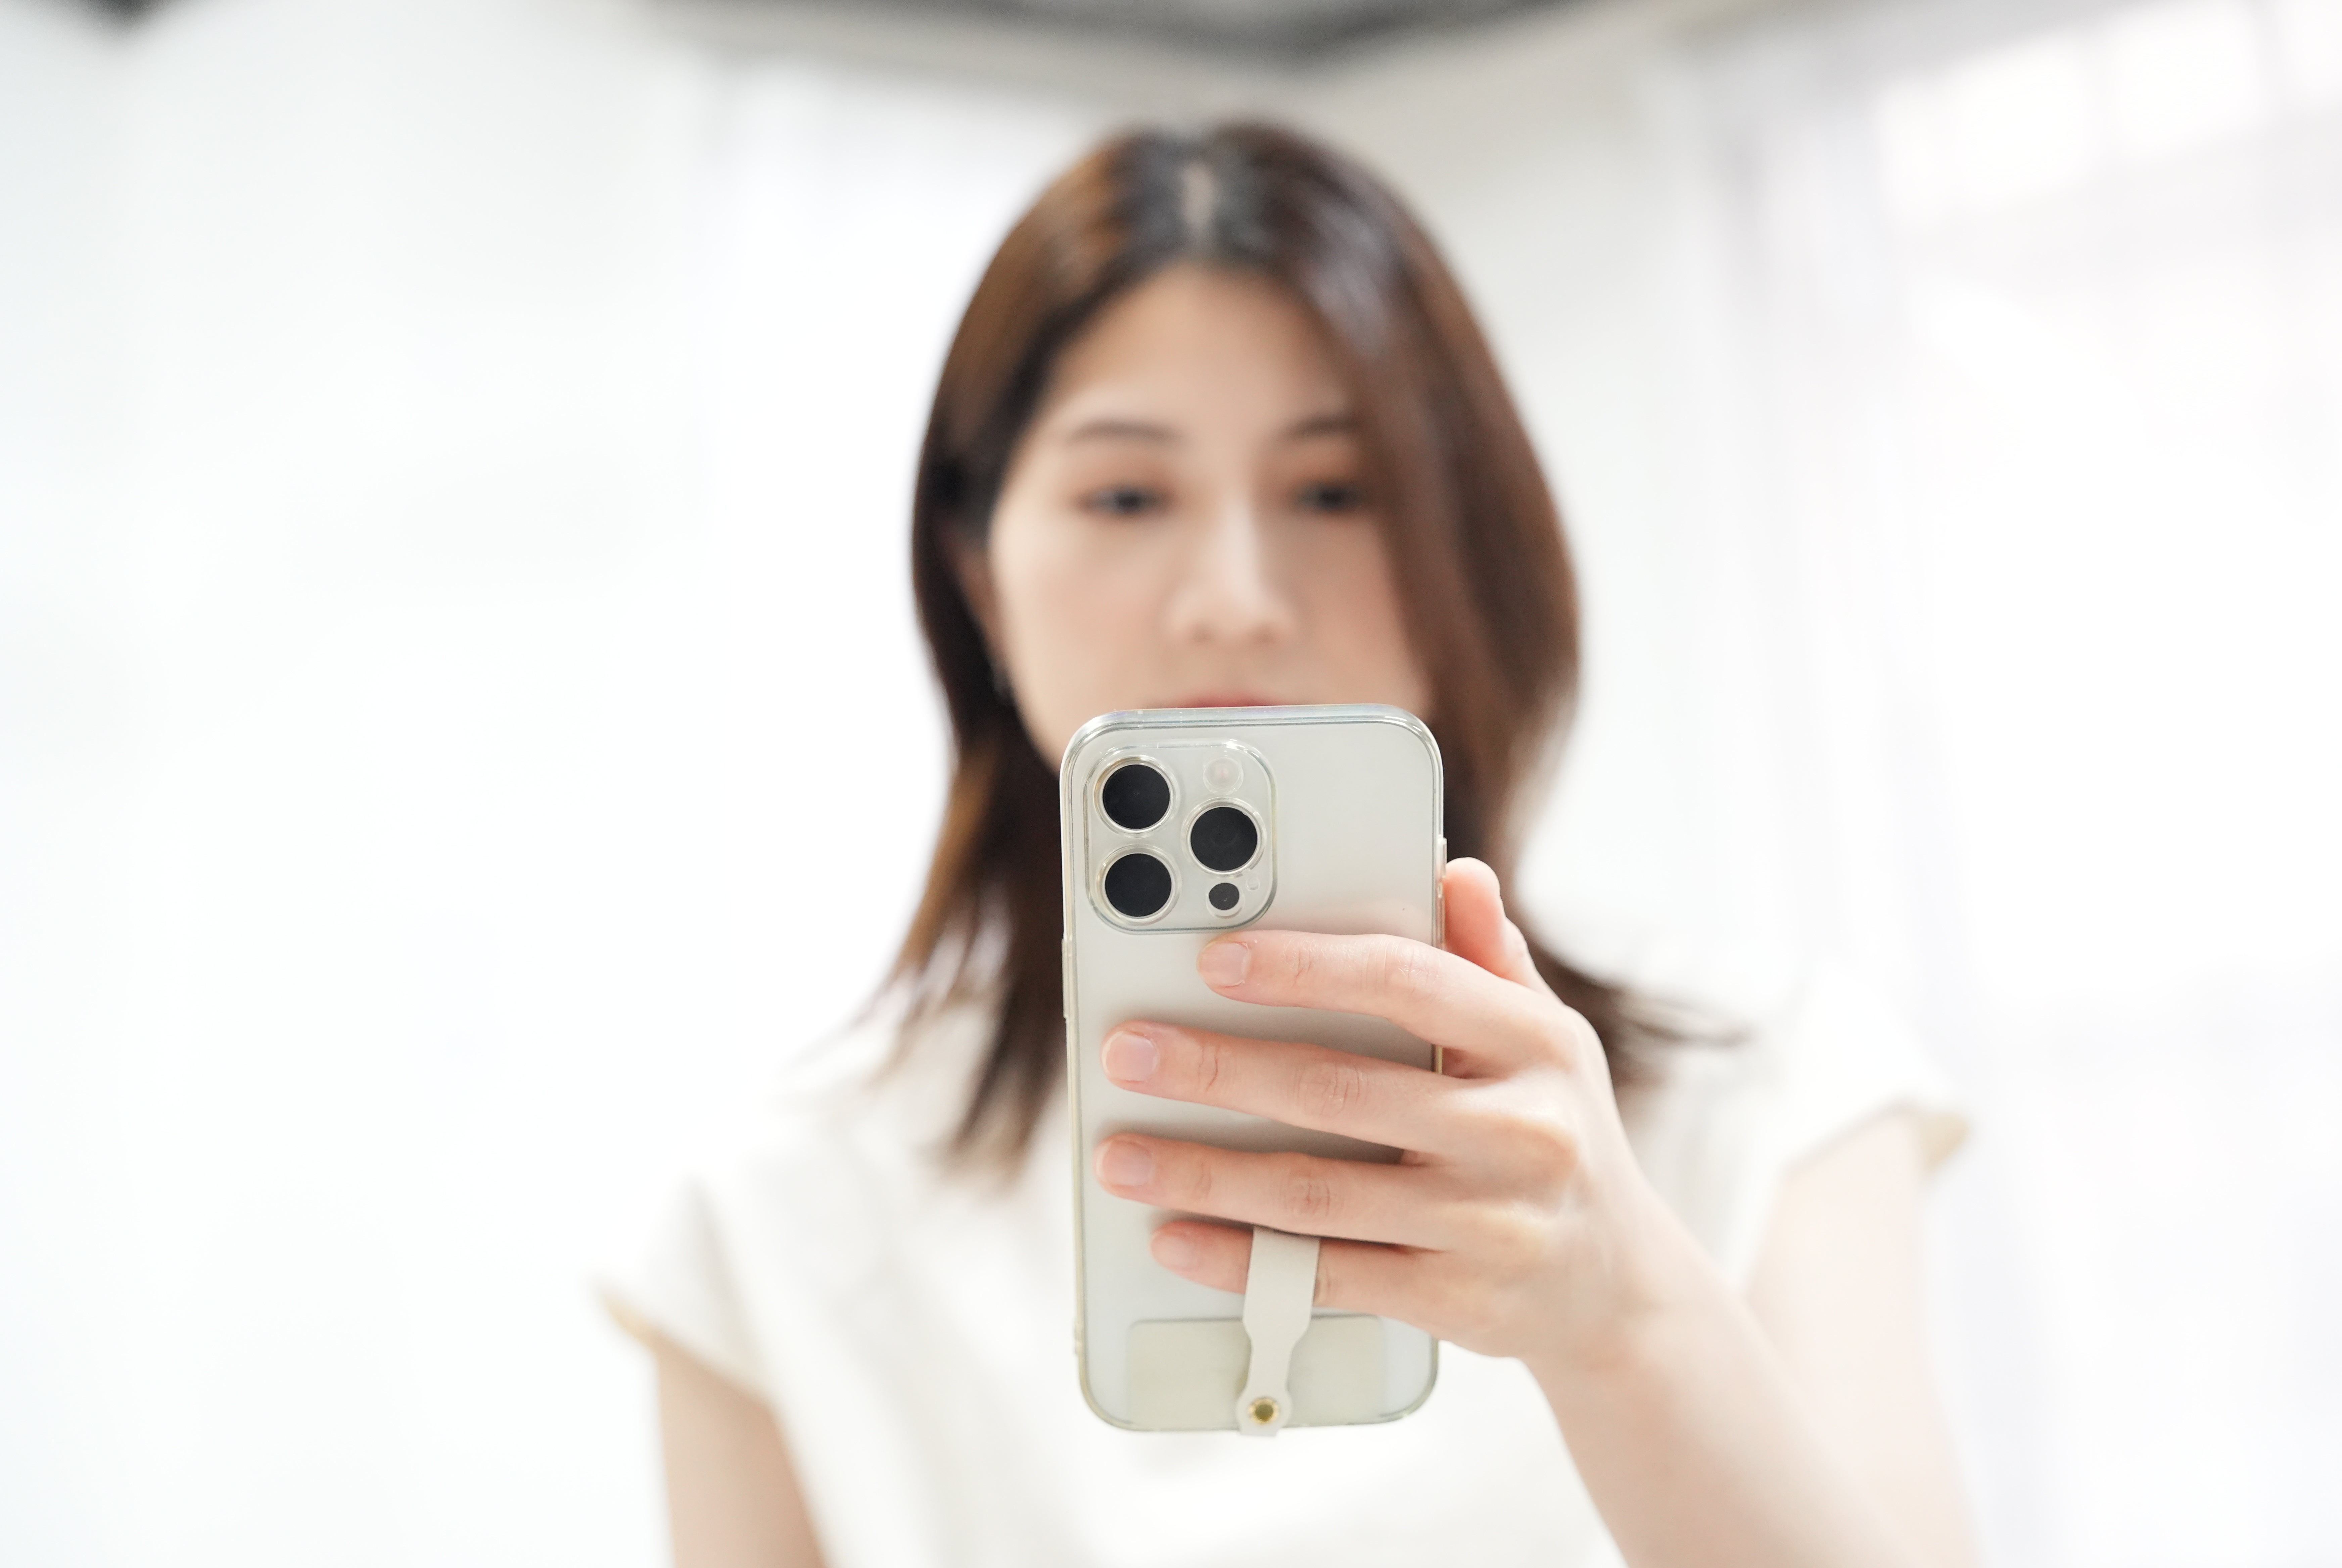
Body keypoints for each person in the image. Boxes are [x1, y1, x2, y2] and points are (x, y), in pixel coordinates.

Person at [604, 122, 1974, 1568]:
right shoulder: (777, 1219)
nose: (1236, 599)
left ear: (1465, 546)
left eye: (1335, 490)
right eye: (1126, 496)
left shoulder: (1765, 1090)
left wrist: (1628, 1323)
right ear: (977, 570)